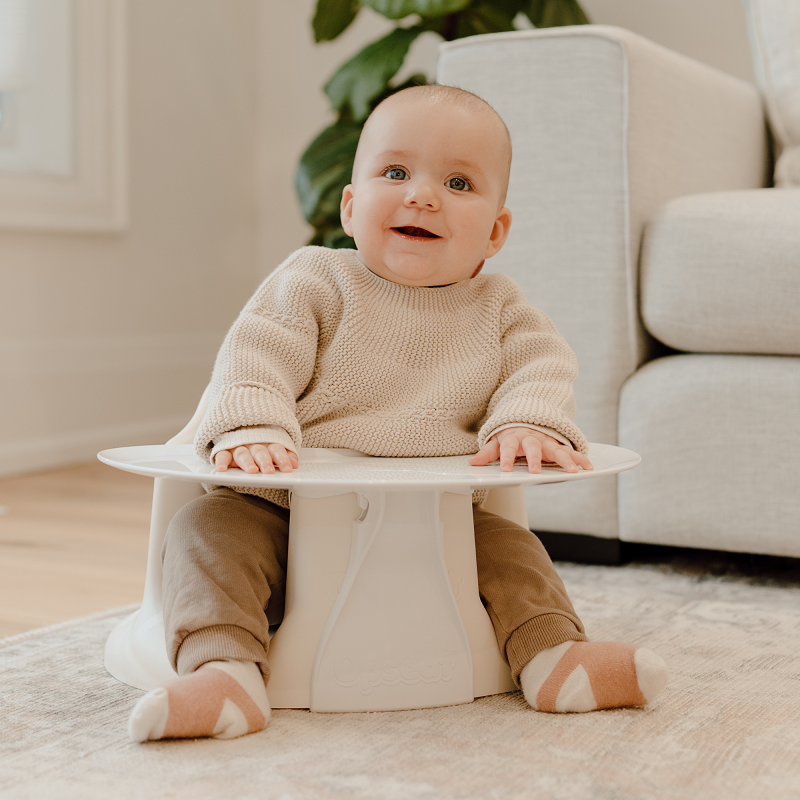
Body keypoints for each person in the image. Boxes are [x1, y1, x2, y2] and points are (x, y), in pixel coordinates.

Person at [128, 85, 668, 742]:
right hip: (281, 505)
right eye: (395, 172)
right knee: (204, 531)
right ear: (351, 208)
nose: (422, 195)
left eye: (459, 182)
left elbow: (541, 364)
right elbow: (258, 353)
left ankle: (554, 657)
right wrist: (253, 425)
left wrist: (526, 421)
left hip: (438, 519)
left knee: (512, 551)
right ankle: (223, 672)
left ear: (495, 232)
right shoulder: (315, 280)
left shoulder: (500, 307)